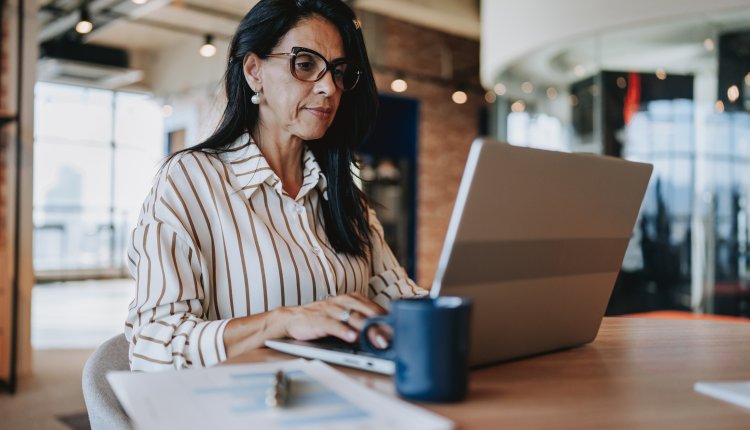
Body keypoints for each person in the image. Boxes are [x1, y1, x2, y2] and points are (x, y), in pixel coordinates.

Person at [124, 0, 426, 372]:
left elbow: (404, 300)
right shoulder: (191, 180)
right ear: (254, 71)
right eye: (305, 65)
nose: (329, 87)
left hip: (352, 400)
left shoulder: (344, 197)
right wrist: (282, 321)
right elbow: (154, 344)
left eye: (338, 71)